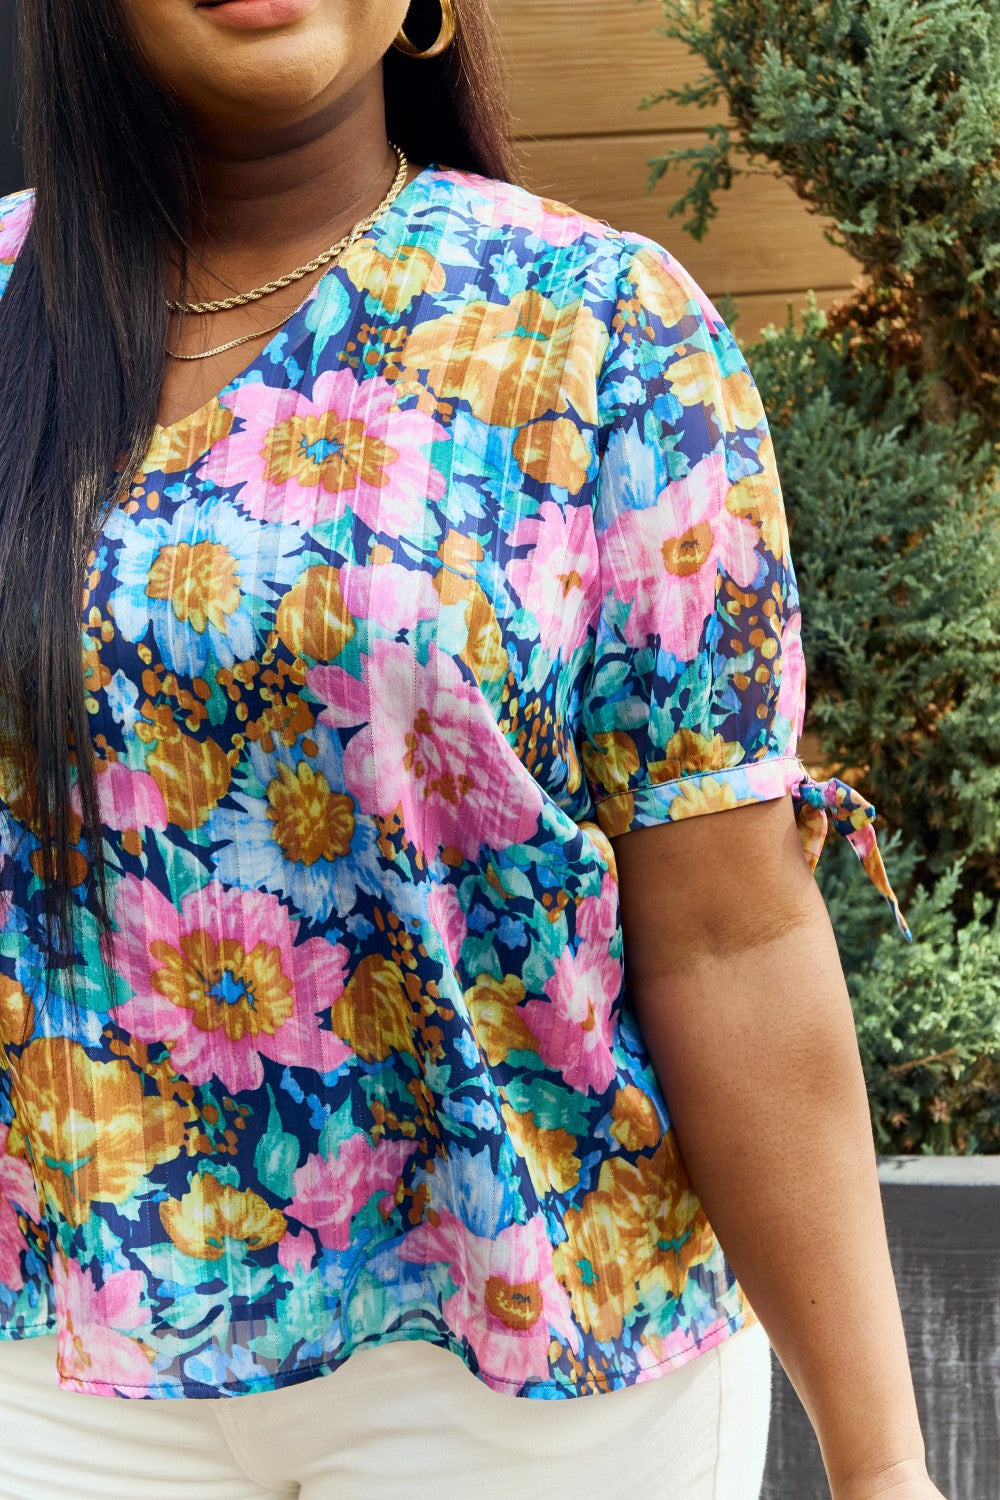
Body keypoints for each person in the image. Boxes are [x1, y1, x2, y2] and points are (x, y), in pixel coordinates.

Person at [0, 1, 947, 1497]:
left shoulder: (600, 327)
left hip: (526, 1357)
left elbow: (730, 932)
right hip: (52, 1353)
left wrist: (883, 1464)